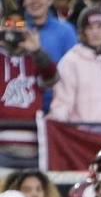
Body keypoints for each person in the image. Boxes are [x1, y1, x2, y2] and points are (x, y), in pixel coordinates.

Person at [49, 7, 101, 127]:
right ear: (83, 32)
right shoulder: (71, 61)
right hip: (84, 135)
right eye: (90, 28)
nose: (95, 32)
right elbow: (62, 103)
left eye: (99, 27)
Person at [0, 17, 58, 163]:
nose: (13, 28)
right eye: (8, 24)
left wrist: (37, 51)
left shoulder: (35, 59)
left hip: (33, 148)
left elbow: (53, 78)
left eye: (19, 25)